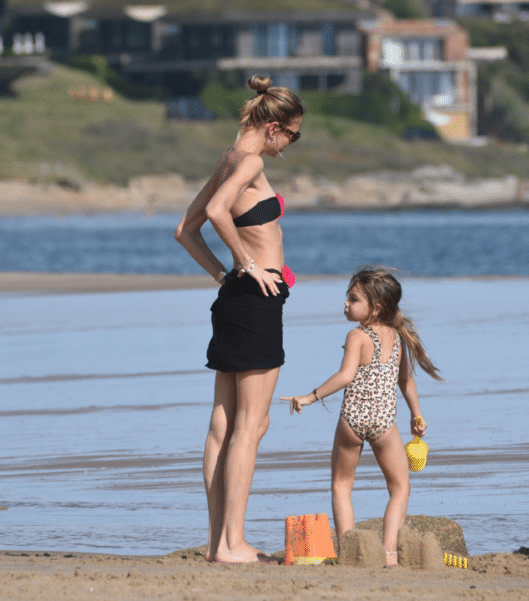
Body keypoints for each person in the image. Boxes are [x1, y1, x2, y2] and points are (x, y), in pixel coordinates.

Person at [174, 74, 304, 563]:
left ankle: (216, 544)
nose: (291, 145)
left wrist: (222, 274)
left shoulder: (228, 159)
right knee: (251, 425)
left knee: (222, 426)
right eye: (292, 135)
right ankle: (233, 543)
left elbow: (185, 229)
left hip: (235, 298)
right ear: (273, 126)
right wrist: (247, 266)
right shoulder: (248, 161)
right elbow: (214, 210)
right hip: (255, 300)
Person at [282, 265, 443, 566]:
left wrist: (310, 396)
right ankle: (390, 554)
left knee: (342, 485)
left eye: (353, 299)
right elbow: (406, 380)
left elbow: (345, 376)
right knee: (400, 487)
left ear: (376, 307)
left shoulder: (357, 335)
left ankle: (349, 551)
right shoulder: (397, 336)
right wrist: (416, 414)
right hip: (384, 422)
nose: (345, 303)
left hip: (352, 420)